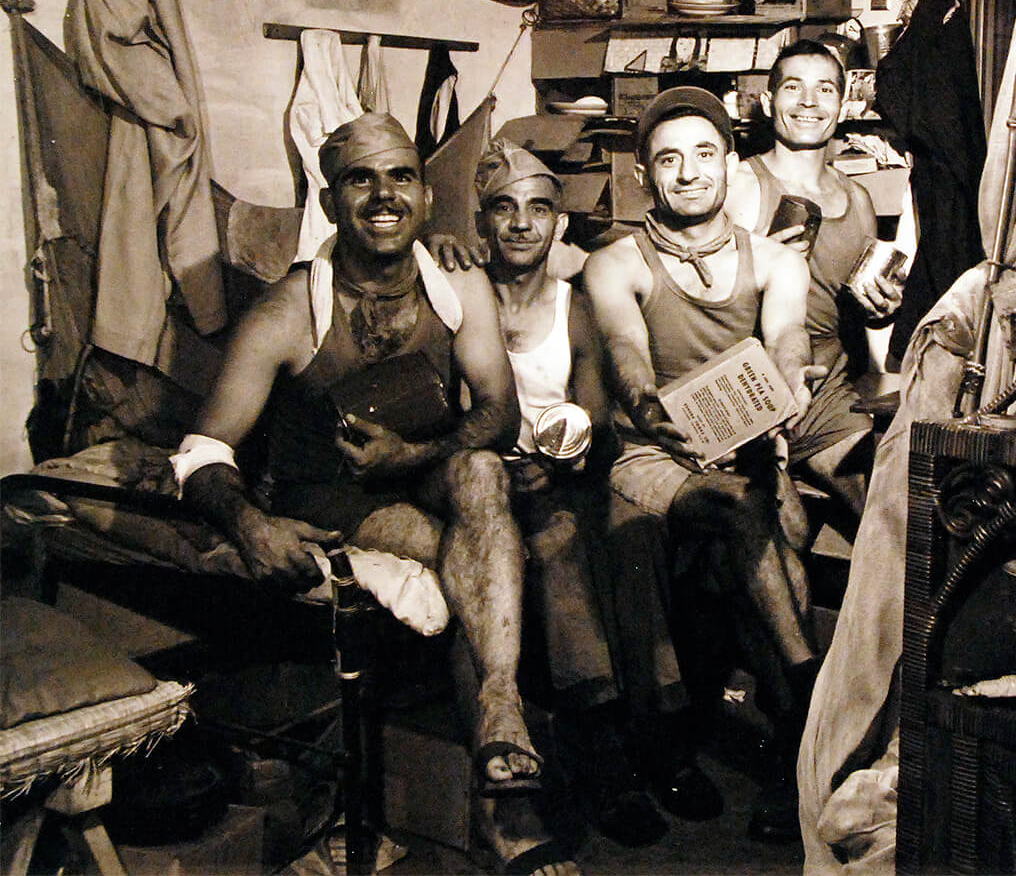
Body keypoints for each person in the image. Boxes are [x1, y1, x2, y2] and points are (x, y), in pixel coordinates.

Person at [170, 112, 577, 876]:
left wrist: (413, 452)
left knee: (483, 470)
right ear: (330, 203)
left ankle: (497, 704)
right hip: (331, 496)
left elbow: (498, 412)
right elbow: (200, 452)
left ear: (426, 196)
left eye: (400, 176)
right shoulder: (290, 312)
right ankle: (507, 818)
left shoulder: (456, 282)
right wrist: (251, 523)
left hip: (424, 469)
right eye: (360, 178)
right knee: (473, 572)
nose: (383, 195)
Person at [581, 86, 827, 841]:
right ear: (646, 177)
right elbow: (625, 350)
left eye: (704, 154)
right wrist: (651, 407)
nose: (688, 173)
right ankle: (806, 706)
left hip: (747, 448)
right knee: (741, 510)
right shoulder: (615, 261)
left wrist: (788, 383)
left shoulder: (775, 259)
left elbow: (787, 337)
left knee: (763, 516)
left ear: (729, 164)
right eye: (668, 160)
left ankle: (795, 738)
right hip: (650, 456)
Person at [464, 140, 722, 843]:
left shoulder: (573, 304)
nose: (521, 225)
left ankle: (661, 741)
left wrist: (565, 456)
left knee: (631, 536)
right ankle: (603, 755)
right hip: (486, 486)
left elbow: (596, 415)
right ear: (481, 224)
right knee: (559, 551)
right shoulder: (458, 296)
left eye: (539, 209)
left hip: (568, 475)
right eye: (503, 210)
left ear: (557, 225)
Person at [723, 38, 904, 522]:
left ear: (843, 105)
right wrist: (765, 263)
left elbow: (861, 314)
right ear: (768, 102)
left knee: (887, 501)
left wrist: (880, 307)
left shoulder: (858, 198)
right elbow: (704, 304)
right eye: (793, 88)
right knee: (780, 535)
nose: (808, 102)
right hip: (750, 384)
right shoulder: (742, 184)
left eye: (824, 89)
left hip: (827, 388)